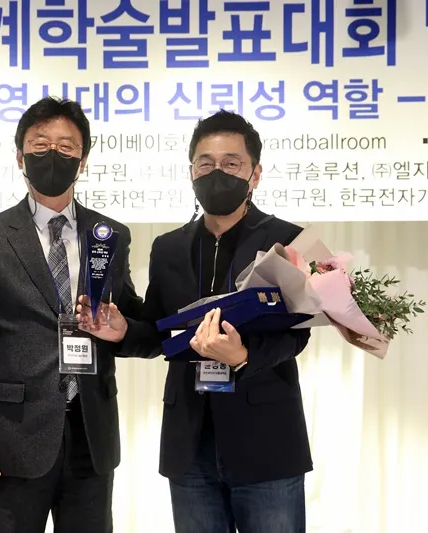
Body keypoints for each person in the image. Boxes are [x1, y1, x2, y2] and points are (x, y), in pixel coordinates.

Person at [78, 110, 313, 532]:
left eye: (231, 163)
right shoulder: (169, 247)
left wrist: (243, 355)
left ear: (255, 174)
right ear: (191, 172)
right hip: (189, 444)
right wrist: (123, 331)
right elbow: (158, 331)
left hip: (267, 441)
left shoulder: (285, 239)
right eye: (205, 164)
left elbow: (296, 335)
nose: (216, 173)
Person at [0, 96, 142, 533]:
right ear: (20, 156)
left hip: (91, 436)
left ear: (82, 161)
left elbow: (130, 323)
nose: (53, 154)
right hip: (10, 440)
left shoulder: (110, 234)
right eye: (40, 144)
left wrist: (123, 330)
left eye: (66, 147)